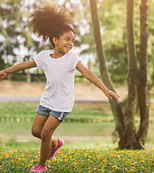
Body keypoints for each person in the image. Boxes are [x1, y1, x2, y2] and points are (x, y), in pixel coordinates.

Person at [0, 5, 120, 172]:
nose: (70, 43)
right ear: (55, 40)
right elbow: (25, 65)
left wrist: (104, 89)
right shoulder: (44, 56)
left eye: (72, 40)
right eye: (66, 39)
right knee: (36, 131)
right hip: (47, 99)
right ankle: (56, 143)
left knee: (45, 134)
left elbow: (88, 73)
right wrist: (6, 71)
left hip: (62, 103)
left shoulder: (72, 59)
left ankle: (41, 165)